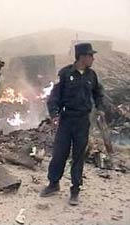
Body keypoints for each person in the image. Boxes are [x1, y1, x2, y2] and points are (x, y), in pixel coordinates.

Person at [40, 43, 105, 206]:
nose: (93, 59)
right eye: (90, 56)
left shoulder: (92, 75)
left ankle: (75, 189)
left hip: (83, 120)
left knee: (78, 156)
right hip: (66, 119)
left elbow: (98, 94)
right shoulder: (65, 73)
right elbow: (54, 96)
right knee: (59, 153)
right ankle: (53, 184)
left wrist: (100, 108)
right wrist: (54, 114)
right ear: (82, 57)